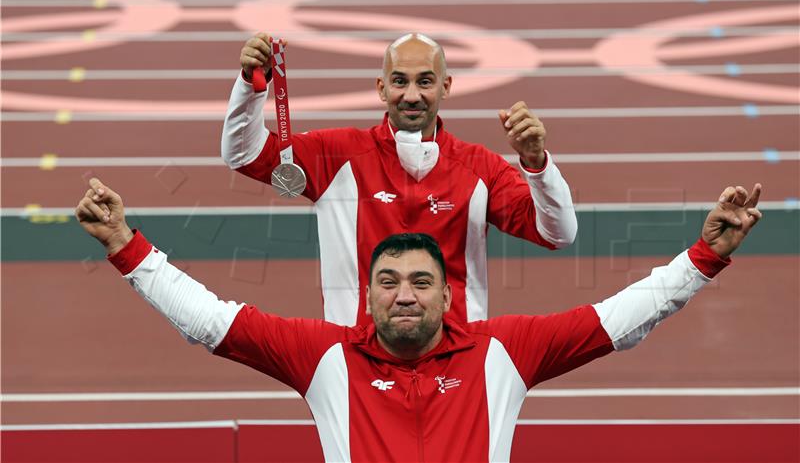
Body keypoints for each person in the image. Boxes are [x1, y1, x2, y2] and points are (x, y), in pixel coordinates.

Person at [77, 178, 761, 462]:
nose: (405, 295)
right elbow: (211, 322)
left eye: (421, 282)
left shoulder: (506, 351)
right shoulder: (325, 356)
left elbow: (620, 319)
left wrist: (704, 255)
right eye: (389, 282)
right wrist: (125, 244)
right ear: (368, 297)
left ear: (446, 295)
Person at [221, 32, 578, 326]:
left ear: (445, 87)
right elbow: (244, 154)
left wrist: (536, 163)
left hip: (457, 365)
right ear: (381, 88)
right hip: (356, 361)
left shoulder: (481, 168)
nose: (411, 96)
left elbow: (558, 233)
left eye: (425, 82)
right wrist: (252, 87)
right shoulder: (337, 155)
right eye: (399, 82)